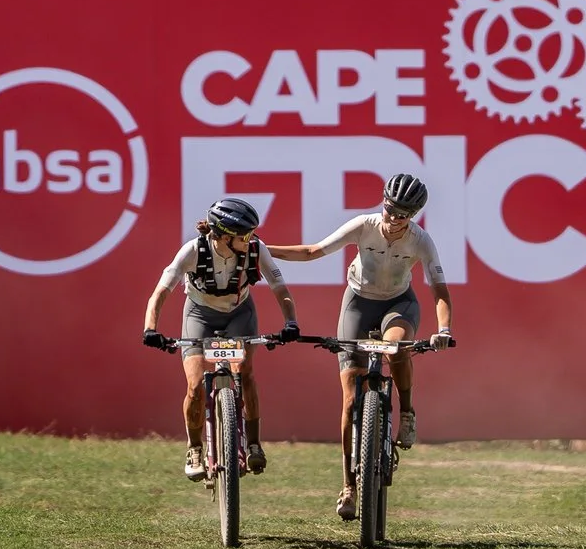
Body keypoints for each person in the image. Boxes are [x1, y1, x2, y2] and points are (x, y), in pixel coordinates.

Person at [265, 172, 453, 523]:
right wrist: (262, 249)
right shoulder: (363, 225)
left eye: (401, 214)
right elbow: (312, 251)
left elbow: (439, 290)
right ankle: (348, 485)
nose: (392, 218)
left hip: (399, 304)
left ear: (413, 216)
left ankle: (407, 413)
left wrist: (444, 328)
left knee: (395, 348)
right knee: (350, 397)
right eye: (389, 208)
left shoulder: (421, 241)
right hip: (357, 302)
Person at [142, 196, 297, 483]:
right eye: (244, 234)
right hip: (199, 315)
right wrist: (150, 329)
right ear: (224, 236)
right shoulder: (192, 251)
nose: (251, 239)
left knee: (245, 373)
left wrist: (291, 322)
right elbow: (161, 292)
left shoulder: (255, 248)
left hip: (240, 313)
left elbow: (280, 288)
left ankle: (252, 444)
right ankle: (195, 448)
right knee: (196, 384)